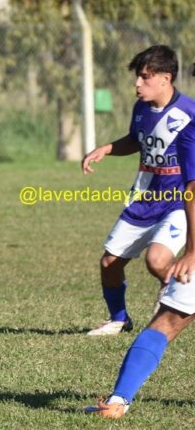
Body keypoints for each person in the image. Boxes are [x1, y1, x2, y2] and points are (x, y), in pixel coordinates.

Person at [85, 46, 195, 418]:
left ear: (167, 77)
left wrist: (192, 249)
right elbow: (137, 140)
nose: (137, 83)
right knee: (110, 261)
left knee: (158, 261)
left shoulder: (189, 117)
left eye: (145, 76)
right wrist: (106, 148)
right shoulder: (143, 111)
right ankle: (119, 319)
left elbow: (192, 188)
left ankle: (118, 401)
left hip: (176, 205)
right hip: (144, 201)